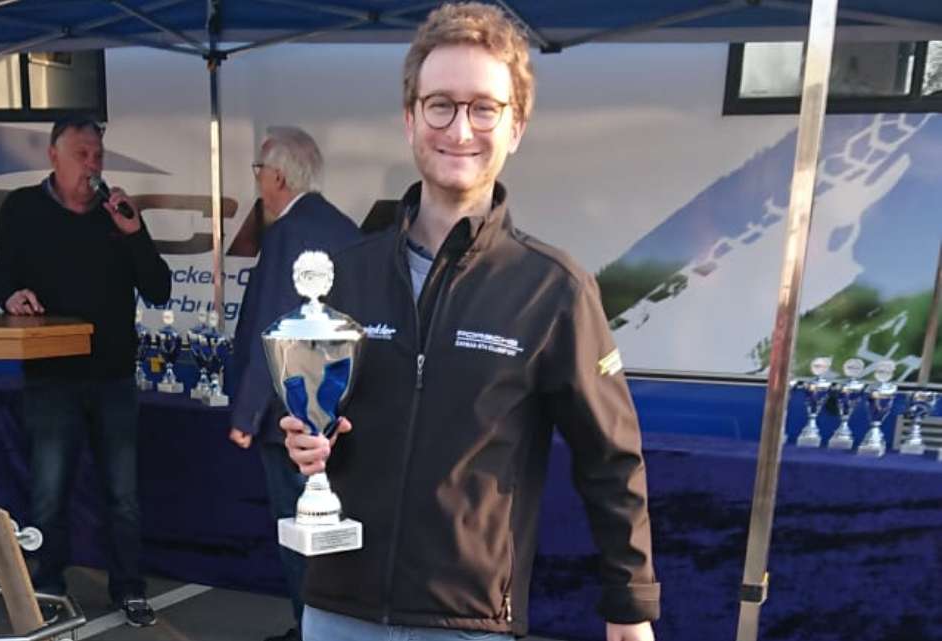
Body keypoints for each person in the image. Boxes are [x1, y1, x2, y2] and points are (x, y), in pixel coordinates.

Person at [280, 4, 660, 641]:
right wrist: (303, 441)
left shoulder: (553, 289)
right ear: (410, 118)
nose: (460, 130)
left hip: (469, 620)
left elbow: (610, 460)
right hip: (337, 609)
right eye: (440, 106)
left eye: (484, 108)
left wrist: (631, 605)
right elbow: (311, 414)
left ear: (516, 127)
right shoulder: (346, 276)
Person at [0, 117, 171, 627]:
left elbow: (159, 288)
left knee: (123, 495)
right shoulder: (22, 208)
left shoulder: (117, 214)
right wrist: (10, 295)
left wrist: (134, 234)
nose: (92, 166)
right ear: (53, 156)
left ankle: (129, 587)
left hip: (112, 375)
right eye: (81, 155)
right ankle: (47, 588)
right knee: (49, 493)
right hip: (50, 375)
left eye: (98, 155)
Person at [228, 126, 360, 641]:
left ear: (278, 177)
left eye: (259, 171)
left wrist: (246, 413)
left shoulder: (289, 233)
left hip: (291, 416)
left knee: (301, 532)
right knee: (329, 530)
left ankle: (312, 628)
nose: (258, 180)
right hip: (337, 408)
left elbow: (277, 326)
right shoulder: (340, 225)